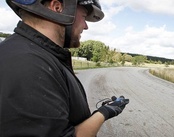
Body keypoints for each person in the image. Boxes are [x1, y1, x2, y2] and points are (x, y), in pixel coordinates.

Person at [0, 0, 128, 136]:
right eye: (84, 17)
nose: (85, 27)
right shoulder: (29, 63)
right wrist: (105, 113)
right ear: (57, 7)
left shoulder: (37, 54)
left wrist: (106, 110)